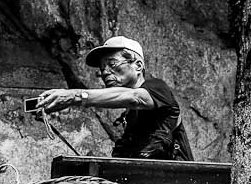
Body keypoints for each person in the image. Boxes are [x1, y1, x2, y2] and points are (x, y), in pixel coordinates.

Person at [36, 36, 193, 160]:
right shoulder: (130, 116)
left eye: (112, 64)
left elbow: (135, 97)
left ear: (138, 66)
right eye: (103, 68)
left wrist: (74, 96)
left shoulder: (158, 88)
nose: (105, 72)